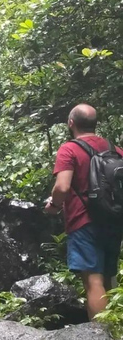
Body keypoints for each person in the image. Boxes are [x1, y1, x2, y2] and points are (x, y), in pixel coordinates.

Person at [45, 103, 123, 320]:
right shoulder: (114, 149)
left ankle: (99, 338)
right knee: (109, 275)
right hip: (115, 220)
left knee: (93, 279)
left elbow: (62, 186)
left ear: (71, 123)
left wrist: (54, 205)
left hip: (84, 220)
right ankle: (117, 330)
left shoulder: (69, 149)